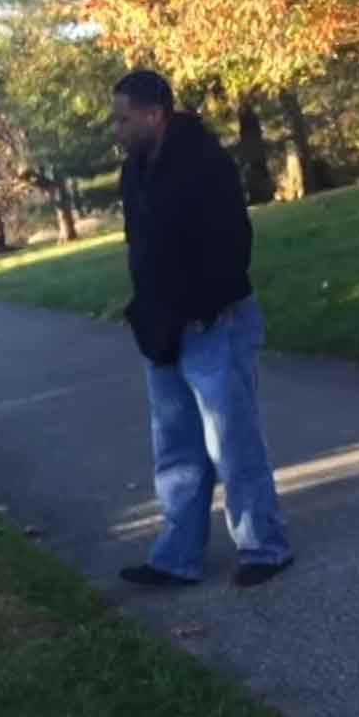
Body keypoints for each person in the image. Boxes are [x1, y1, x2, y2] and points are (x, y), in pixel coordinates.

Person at [107, 70, 293, 589]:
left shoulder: (204, 162)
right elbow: (140, 249)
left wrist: (203, 305)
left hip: (214, 320)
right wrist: (147, 312)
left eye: (124, 119)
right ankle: (177, 557)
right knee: (175, 449)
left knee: (232, 443)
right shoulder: (134, 172)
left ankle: (265, 546)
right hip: (161, 328)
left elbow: (234, 244)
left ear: (154, 113)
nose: (117, 130)